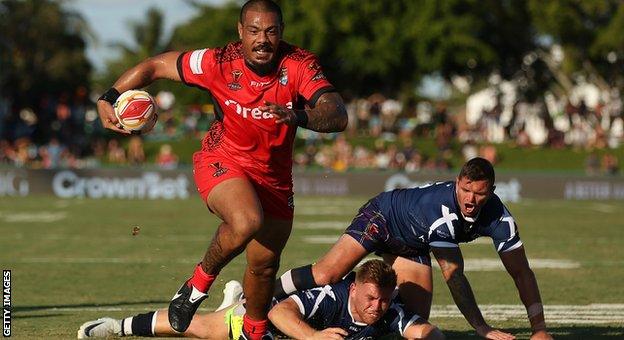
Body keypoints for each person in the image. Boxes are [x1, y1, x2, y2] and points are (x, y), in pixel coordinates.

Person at [95, 1, 347, 339]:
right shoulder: (217, 61)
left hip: (274, 180)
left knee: (263, 268)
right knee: (246, 221)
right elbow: (156, 65)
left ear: (281, 33)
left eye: (271, 31)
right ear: (240, 32)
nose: (263, 40)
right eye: (254, 31)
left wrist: (299, 115)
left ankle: (254, 334)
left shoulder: (298, 64)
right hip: (222, 159)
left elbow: (337, 113)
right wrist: (109, 96)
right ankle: (196, 286)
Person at [274, 158, 553, 340]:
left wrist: (539, 328)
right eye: (465, 190)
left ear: (492, 191)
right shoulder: (441, 210)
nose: (470, 199)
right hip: (384, 216)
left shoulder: (500, 218)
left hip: (412, 243)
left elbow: (521, 272)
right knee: (327, 274)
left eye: (479, 193)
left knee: (415, 322)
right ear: (457, 183)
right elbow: (453, 275)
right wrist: (481, 327)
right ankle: (261, 297)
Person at [77, 260, 444, 340]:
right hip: (263, 320)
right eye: (370, 298)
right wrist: (313, 338)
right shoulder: (331, 298)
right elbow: (281, 310)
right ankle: (116, 326)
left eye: (382, 300)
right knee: (203, 329)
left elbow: (423, 332)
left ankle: (232, 299)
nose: (376, 307)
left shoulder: (388, 311)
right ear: (353, 289)